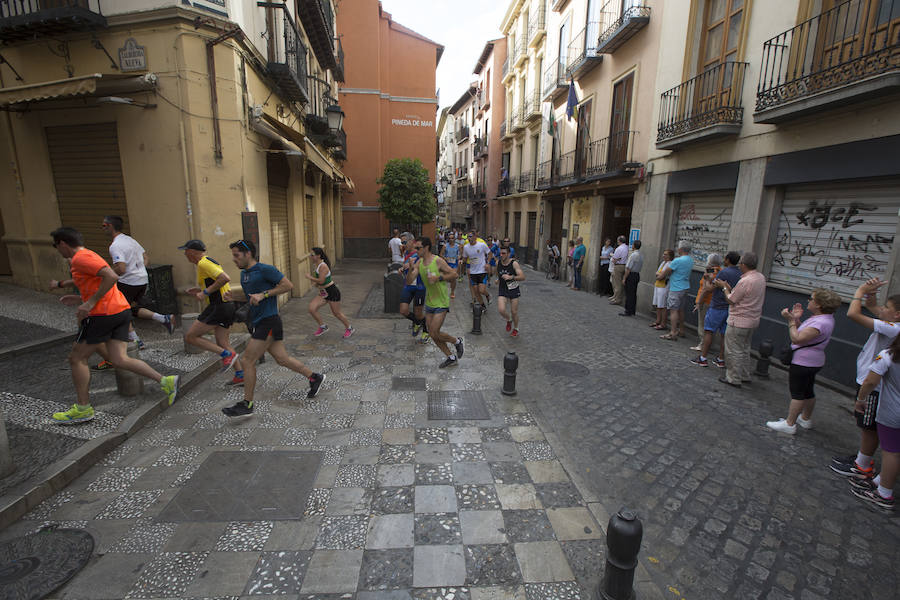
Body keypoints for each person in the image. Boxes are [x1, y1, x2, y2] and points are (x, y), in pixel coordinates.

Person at [48, 227, 179, 423]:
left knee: (76, 358)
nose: (58, 250)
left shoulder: (80, 258)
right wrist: (79, 298)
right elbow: (98, 283)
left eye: (56, 246)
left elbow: (111, 276)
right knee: (119, 359)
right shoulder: (88, 256)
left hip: (102, 315)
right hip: (119, 311)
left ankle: (83, 408)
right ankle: (166, 381)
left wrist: (90, 303)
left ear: (63, 244)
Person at [221, 239, 325, 417]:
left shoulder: (265, 269)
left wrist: (264, 294)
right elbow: (250, 296)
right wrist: (234, 296)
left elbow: (287, 285)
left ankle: (247, 404)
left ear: (248, 254)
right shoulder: (244, 274)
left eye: (236, 255)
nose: (234, 259)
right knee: (282, 359)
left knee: (247, 361)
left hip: (269, 321)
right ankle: (315, 377)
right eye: (233, 255)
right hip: (260, 321)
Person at [831, 278, 900, 481]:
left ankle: (862, 465)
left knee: (868, 426)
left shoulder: (894, 328)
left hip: (872, 383)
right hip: (870, 378)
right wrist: (872, 293)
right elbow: (871, 306)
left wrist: (860, 291)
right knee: (868, 424)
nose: (881, 309)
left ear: (896, 314)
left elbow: (853, 313)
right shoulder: (892, 323)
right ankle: (863, 459)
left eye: (886, 307)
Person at [92, 216, 174, 370]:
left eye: (103, 225)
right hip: (142, 280)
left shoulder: (115, 245)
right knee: (131, 308)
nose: (102, 228)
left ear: (110, 226)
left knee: (120, 309)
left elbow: (121, 268)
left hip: (128, 281)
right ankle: (163, 318)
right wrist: (139, 270)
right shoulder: (130, 240)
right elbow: (145, 257)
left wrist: (106, 273)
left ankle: (136, 341)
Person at [765, 288, 842, 434]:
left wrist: (790, 321)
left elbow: (797, 338)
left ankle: (790, 424)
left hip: (804, 362)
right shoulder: (823, 319)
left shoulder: (820, 322)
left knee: (797, 392)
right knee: (808, 390)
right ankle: (805, 418)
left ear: (819, 304)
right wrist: (796, 319)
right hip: (813, 360)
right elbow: (806, 334)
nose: (809, 301)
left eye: (811, 299)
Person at [178, 239, 244, 385]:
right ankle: (240, 374)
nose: (185, 254)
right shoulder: (207, 261)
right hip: (225, 305)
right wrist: (200, 290)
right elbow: (216, 282)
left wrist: (205, 292)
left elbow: (224, 278)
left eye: (186, 251)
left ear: (193, 252)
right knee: (222, 342)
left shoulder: (203, 263)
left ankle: (225, 355)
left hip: (218, 306)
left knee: (190, 336)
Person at [850, 335, 900, 510]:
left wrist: (861, 399)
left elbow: (870, 381)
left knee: (891, 452)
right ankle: (881, 479)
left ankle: (884, 493)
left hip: (892, 412)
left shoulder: (888, 356)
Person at [715, 251, 767, 388]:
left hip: (739, 320)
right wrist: (730, 289)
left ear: (743, 264)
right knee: (744, 348)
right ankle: (744, 375)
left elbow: (731, 300)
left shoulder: (745, 281)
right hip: (753, 319)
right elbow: (745, 296)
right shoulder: (760, 278)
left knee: (733, 350)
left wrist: (724, 288)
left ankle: (733, 377)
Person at [411, 236, 464, 368]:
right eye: (415, 248)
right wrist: (410, 269)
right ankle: (451, 357)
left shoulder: (438, 261)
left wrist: (438, 278)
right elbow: (409, 280)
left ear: (426, 247)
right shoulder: (419, 262)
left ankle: (457, 341)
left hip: (441, 301)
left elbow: (455, 275)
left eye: (418, 248)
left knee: (434, 331)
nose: (416, 250)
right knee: (433, 334)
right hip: (429, 302)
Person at [690, 251, 740, 368]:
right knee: (724, 335)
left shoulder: (723, 272)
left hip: (717, 306)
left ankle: (703, 357)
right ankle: (721, 359)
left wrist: (707, 279)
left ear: (727, 260)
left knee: (708, 331)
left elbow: (709, 288)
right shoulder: (740, 273)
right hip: (730, 307)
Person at [306, 247, 354, 339]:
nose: (310, 257)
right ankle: (323, 327)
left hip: (332, 292)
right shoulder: (317, 265)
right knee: (312, 308)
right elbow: (320, 282)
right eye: (310, 255)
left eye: (312, 255)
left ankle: (349, 328)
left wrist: (310, 277)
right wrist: (316, 284)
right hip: (323, 293)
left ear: (318, 255)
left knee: (337, 313)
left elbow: (321, 280)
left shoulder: (323, 266)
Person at [659, 242, 694, 341]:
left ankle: (673, 332)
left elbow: (667, 271)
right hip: (685, 286)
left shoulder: (678, 260)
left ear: (681, 249)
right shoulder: (690, 260)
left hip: (676, 287)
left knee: (673, 310)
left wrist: (660, 276)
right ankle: (681, 330)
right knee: (681, 310)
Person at [398, 234, 428, 340]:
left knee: (419, 313)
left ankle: (425, 329)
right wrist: (402, 268)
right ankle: (417, 322)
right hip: (408, 286)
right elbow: (406, 266)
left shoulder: (419, 252)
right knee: (403, 310)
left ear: (412, 241)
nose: (403, 245)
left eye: (404, 242)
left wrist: (412, 266)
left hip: (419, 286)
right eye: (401, 243)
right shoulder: (406, 253)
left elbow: (423, 262)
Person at [497, 245, 525, 336]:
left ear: (509, 254)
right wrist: (497, 279)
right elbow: (497, 273)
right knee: (501, 309)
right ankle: (509, 320)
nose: (501, 255)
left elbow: (522, 277)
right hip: (503, 289)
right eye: (500, 253)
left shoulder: (514, 263)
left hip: (513, 289)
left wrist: (511, 277)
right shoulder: (498, 262)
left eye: (504, 253)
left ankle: (516, 328)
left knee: (514, 311)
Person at [462, 230, 492, 308]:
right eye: (468, 236)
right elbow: (465, 259)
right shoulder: (466, 247)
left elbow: (490, 254)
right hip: (472, 272)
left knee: (481, 290)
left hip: (482, 270)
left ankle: (488, 295)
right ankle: (483, 306)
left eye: (471, 236)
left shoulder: (481, 245)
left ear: (475, 237)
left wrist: (488, 263)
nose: (469, 238)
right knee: (476, 291)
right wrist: (463, 263)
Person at [650, 249, 673, 330]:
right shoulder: (663, 263)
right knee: (658, 305)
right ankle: (658, 320)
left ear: (670, 256)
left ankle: (663, 323)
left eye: (666, 254)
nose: (664, 256)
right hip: (658, 285)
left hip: (664, 286)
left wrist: (660, 275)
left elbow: (662, 275)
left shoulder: (670, 264)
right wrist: (659, 274)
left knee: (663, 305)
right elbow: (657, 273)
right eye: (663, 254)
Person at [620, 240, 643, 316]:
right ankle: (632, 310)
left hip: (631, 275)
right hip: (637, 274)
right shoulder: (641, 255)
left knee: (629, 293)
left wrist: (624, 278)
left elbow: (628, 268)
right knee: (633, 293)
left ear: (634, 246)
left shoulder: (633, 255)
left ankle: (628, 310)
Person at [440, 233, 461, 299]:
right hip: (447, 264)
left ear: (454, 239)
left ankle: (452, 292)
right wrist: (445, 258)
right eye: (450, 238)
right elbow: (441, 254)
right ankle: (444, 290)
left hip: (454, 264)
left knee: (453, 277)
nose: (451, 239)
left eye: (452, 238)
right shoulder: (445, 246)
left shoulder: (458, 246)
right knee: (447, 278)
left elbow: (460, 254)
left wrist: (459, 257)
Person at [609, 236, 628, 303]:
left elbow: (614, 259)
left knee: (617, 283)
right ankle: (616, 296)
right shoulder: (627, 247)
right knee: (620, 283)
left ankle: (617, 298)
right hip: (624, 266)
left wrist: (612, 256)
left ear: (619, 241)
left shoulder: (619, 248)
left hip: (618, 266)